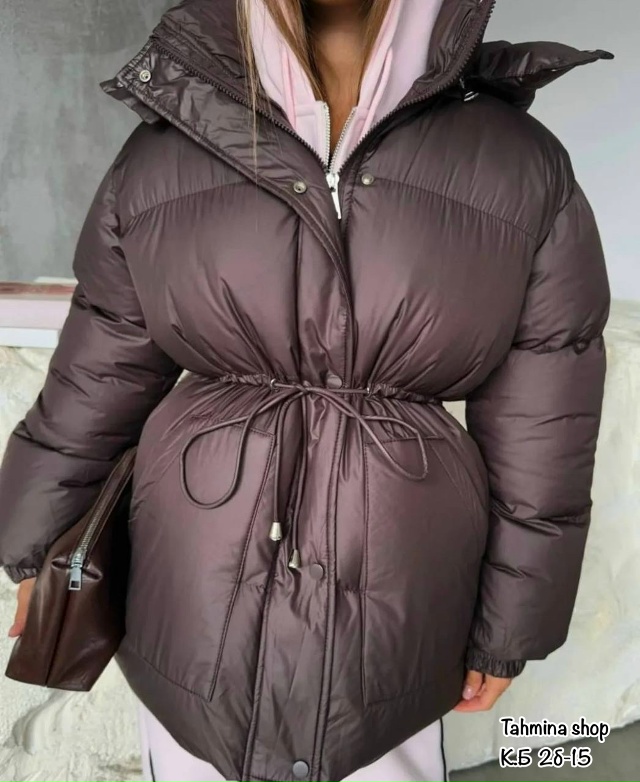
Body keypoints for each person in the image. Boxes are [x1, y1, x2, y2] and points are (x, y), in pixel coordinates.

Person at [1, 1, 613, 781]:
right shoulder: (165, 147)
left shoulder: (518, 163)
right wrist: (39, 549)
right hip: (189, 598)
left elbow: (545, 424)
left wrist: (512, 625)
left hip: (400, 608)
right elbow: (98, 375)